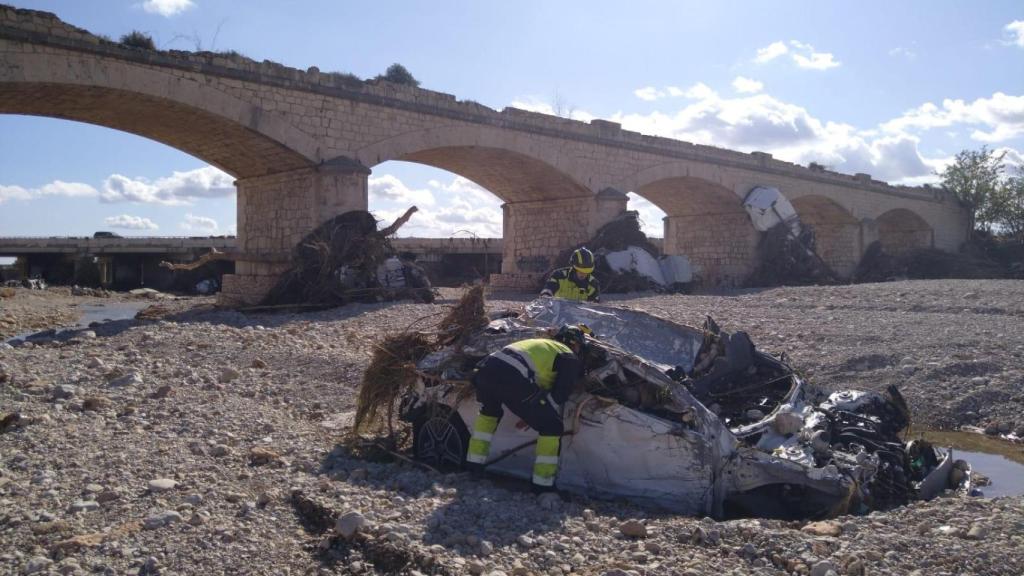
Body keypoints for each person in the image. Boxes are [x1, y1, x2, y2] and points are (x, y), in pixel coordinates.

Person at [466, 324, 589, 491]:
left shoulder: (541, 344)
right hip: (511, 376)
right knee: (552, 426)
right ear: (575, 344)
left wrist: (532, 413)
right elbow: (559, 395)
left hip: (485, 371)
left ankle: (473, 467)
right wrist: (540, 416)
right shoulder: (568, 355)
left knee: (490, 413)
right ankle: (543, 485)